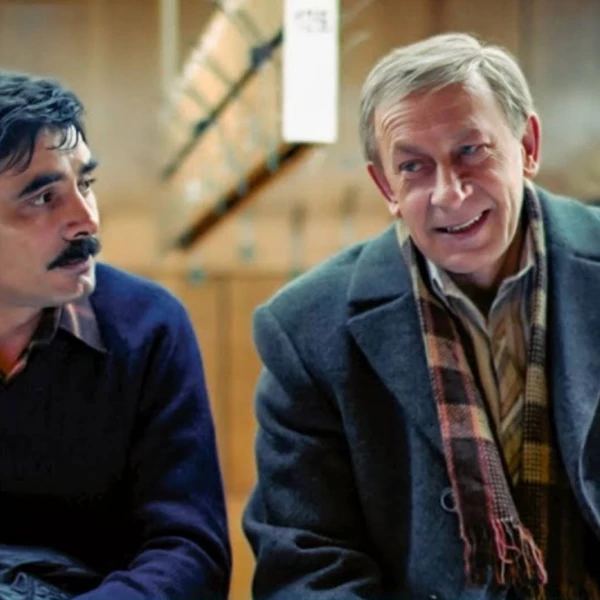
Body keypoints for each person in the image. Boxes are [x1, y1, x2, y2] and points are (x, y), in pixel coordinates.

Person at [243, 32, 600, 599]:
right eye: (413, 166)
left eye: (471, 151)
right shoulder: (305, 330)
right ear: (385, 184)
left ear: (528, 145)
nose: (449, 193)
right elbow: (305, 560)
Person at [0, 71, 231, 599]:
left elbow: (191, 549)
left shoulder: (148, 325)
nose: (86, 220)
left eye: (85, 185)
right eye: (43, 197)